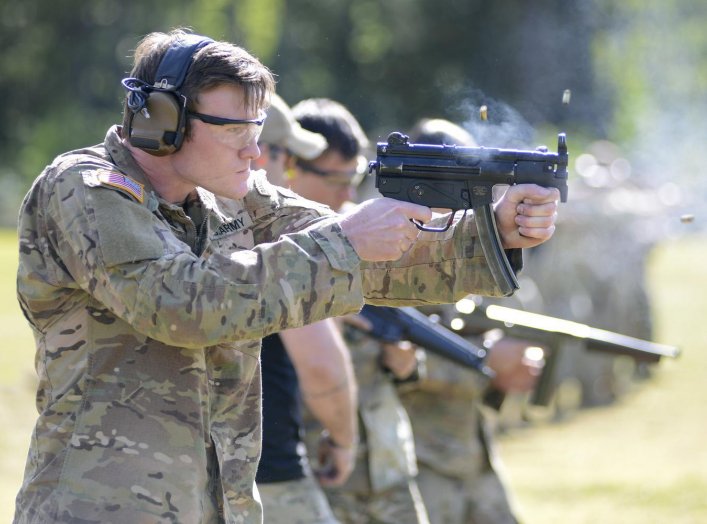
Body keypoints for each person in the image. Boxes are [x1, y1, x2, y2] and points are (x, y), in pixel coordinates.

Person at [13, 29, 559, 523]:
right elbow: (179, 303)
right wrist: (344, 243)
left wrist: (490, 230)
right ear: (163, 119)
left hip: (217, 505)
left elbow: (368, 254)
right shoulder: (87, 189)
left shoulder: (235, 197)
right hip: (96, 508)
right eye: (235, 131)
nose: (256, 151)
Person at [290, 98, 430, 524]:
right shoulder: (265, 258)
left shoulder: (369, 239)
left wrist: (404, 365)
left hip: (386, 468)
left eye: (354, 178)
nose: (348, 195)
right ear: (292, 168)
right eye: (336, 178)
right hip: (316, 472)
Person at [398, 118, 544, 524]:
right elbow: (386, 357)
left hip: (474, 457)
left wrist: (509, 367)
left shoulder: (472, 252)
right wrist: (485, 361)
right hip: (416, 466)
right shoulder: (388, 255)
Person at [254, 93, 357, 524]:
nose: (288, 172)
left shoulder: (178, 217)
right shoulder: (268, 231)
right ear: (263, 154)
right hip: (268, 474)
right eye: (288, 158)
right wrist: (344, 440)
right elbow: (321, 366)